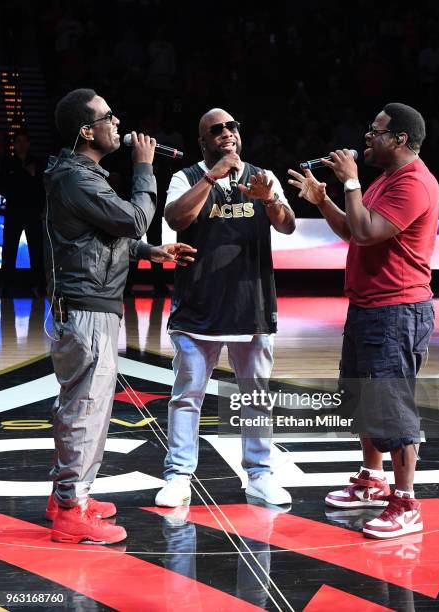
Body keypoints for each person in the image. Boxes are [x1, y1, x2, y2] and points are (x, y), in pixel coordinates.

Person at [44, 88, 195, 545]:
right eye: (108, 117)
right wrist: (147, 167)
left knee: (82, 405)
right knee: (85, 408)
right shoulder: (78, 179)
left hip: (92, 303)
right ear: (86, 130)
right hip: (88, 308)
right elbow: (132, 220)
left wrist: (153, 251)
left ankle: (65, 494)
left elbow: (113, 238)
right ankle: (72, 507)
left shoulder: (82, 175)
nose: (118, 124)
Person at [288, 102, 439, 539]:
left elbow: (370, 232)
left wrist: (350, 179)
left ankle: (407, 501)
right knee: (361, 399)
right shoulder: (387, 181)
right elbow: (355, 231)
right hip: (368, 307)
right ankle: (372, 480)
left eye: (377, 131)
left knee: (392, 407)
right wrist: (324, 199)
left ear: (401, 140)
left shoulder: (414, 184)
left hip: (398, 311)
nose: (367, 137)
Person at [156, 108, 296, 507]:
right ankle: (179, 476)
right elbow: (175, 216)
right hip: (198, 305)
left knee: (255, 395)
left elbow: (286, 225)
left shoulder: (260, 174)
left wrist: (269, 199)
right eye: (216, 130)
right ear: (203, 142)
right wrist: (211, 177)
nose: (227, 133)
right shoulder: (186, 177)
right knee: (187, 395)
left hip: (250, 305)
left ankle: (259, 475)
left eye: (232, 127)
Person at [0, 130, 46, 296]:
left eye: (23, 141)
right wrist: (25, 174)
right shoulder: (7, 162)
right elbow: (5, 185)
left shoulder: (37, 162)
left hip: (33, 211)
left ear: (28, 144)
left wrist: (32, 175)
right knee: (9, 250)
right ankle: (6, 285)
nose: (20, 144)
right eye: (18, 141)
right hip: (13, 211)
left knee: (36, 250)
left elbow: (42, 186)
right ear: (14, 144)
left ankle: (38, 285)